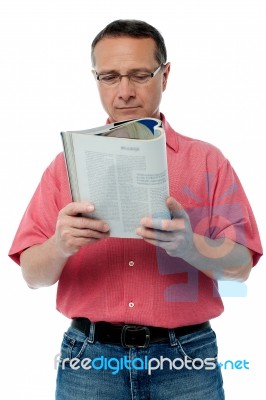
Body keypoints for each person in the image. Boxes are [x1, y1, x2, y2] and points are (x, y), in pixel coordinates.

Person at [9, 19, 263, 400]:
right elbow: (32, 275)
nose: (124, 92)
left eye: (140, 75)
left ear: (165, 75)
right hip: (90, 362)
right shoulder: (65, 166)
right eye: (109, 76)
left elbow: (240, 267)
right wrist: (60, 244)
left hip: (186, 361)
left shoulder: (208, 161)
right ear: (95, 78)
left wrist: (188, 245)